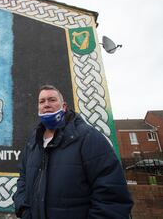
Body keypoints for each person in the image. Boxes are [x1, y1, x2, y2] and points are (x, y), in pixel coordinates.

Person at [13, 85, 133, 219]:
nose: (46, 104)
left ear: (64, 107)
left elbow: (112, 196)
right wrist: (24, 210)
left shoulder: (88, 137)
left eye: (52, 100)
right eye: (42, 101)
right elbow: (23, 178)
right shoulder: (33, 142)